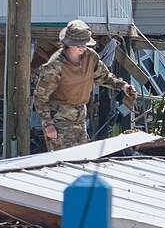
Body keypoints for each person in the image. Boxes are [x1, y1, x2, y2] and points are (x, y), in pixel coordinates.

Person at [32, 18, 127, 150]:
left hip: (80, 115)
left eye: (85, 44)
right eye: (79, 45)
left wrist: (122, 86)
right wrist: (48, 124)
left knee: (82, 156)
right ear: (69, 44)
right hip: (59, 118)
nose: (83, 48)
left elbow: (104, 77)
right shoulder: (55, 66)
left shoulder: (91, 57)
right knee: (63, 159)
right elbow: (41, 97)